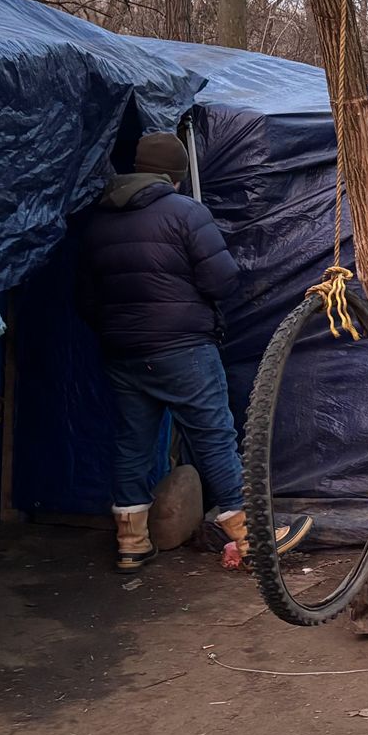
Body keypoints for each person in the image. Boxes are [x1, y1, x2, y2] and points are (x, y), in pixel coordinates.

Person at [76, 131, 312, 572]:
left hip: (123, 352)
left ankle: (131, 542)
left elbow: (86, 298)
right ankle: (252, 539)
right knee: (213, 436)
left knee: (133, 442)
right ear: (174, 176)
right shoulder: (185, 213)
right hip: (182, 347)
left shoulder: (97, 220)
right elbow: (221, 280)